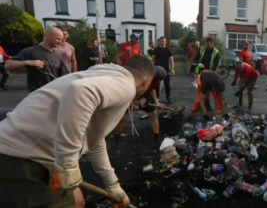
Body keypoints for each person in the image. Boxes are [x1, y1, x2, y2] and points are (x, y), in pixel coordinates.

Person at [0, 55, 154, 208]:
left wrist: (112, 183)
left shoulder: (104, 74)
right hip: (27, 156)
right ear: (146, 81)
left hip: (12, 146)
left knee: (77, 201)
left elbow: (94, 138)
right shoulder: (126, 85)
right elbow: (80, 90)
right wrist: (67, 164)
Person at [5, 27, 69, 93]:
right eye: (58, 39)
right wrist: (27, 62)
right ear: (48, 36)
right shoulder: (30, 51)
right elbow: (8, 65)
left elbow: (66, 77)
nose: (60, 42)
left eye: (61, 40)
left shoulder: (57, 56)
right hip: (36, 95)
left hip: (53, 95)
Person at [152, 37, 175, 104]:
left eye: (163, 41)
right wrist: (151, 67)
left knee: (167, 85)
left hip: (166, 70)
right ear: (159, 42)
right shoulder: (156, 50)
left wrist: (172, 69)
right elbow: (152, 59)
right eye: (161, 41)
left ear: (166, 42)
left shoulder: (168, 50)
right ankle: (156, 98)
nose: (162, 42)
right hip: (157, 70)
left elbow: (171, 60)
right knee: (156, 85)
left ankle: (168, 98)